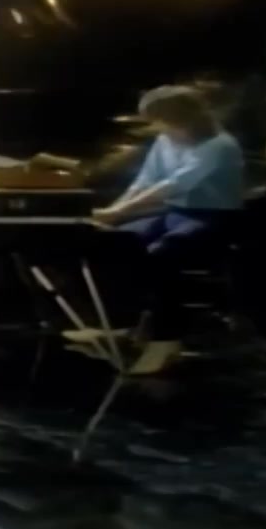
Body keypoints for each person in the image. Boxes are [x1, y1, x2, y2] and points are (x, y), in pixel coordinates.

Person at [84, 84, 245, 373]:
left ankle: (167, 338)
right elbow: (145, 180)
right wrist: (113, 213)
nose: (155, 127)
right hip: (176, 213)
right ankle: (129, 324)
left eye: (159, 120)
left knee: (164, 253)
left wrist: (120, 212)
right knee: (117, 242)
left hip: (215, 218)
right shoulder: (164, 140)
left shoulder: (219, 145)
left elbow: (174, 185)